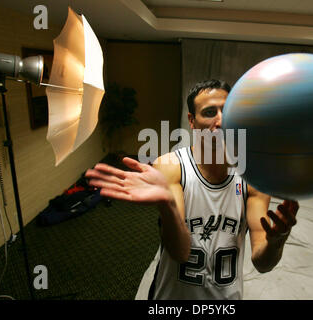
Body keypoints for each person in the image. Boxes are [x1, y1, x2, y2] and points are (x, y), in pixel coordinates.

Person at [85, 79, 299, 299]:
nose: (221, 120)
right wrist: (166, 204)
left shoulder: (252, 177)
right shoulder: (171, 167)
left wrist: (277, 240)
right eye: (209, 112)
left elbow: (263, 264)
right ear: (192, 121)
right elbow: (180, 251)